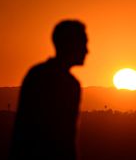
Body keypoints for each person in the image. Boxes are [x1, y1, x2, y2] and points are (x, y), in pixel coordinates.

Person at [9, 20, 88, 160]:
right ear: (69, 44)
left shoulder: (37, 74)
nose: (87, 50)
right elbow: (65, 138)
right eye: (83, 43)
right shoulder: (66, 83)